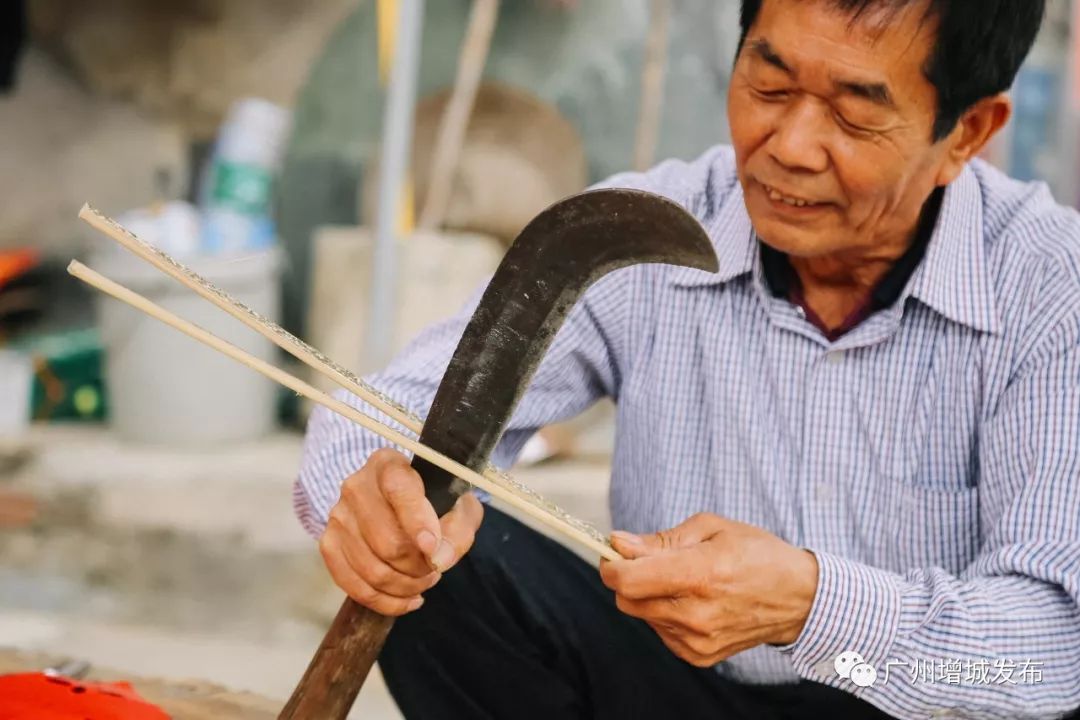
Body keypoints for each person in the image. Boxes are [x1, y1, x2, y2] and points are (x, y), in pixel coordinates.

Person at [295, 1, 1080, 717]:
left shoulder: (1049, 285)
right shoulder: (643, 233)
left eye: (853, 113)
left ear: (967, 133)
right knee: (445, 563)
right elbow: (388, 411)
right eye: (769, 86)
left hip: (888, 693)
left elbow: (1048, 654)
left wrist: (813, 607)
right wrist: (376, 502)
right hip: (667, 692)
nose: (790, 147)